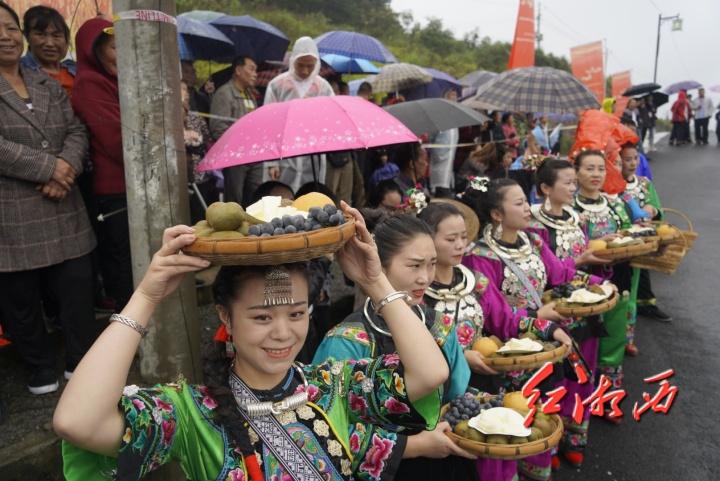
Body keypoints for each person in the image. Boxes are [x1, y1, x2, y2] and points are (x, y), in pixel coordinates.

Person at [54, 205, 450, 481]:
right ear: (226, 317)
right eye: (261, 317)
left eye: (296, 314)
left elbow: (429, 373)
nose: (282, 332)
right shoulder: (192, 415)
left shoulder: (335, 387)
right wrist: (147, 296)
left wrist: (375, 281)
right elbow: (77, 421)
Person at [313, 214, 475, 481]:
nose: (425, 278)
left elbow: (457, 392)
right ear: (380, 266)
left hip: (445, 463)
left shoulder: (440, 326)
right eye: (414, 266)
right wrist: (414, 446)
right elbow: (328, 426)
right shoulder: (346, 340)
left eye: (432, 264)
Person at [461, 177, 588, 481]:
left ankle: (541, 459)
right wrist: (536, 314)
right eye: (518, 203)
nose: (526, 208)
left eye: (525, 200)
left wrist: (595, 283)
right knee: (511, 422)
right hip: (507, 351)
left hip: (541, 342)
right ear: (496, 213)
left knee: (542, 410)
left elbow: (560, 274)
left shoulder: (534, 241)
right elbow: (494, 316)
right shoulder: (478, 257)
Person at [0, 1, 98, 394]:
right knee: (20, 297)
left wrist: (65, 168)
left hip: (63, 202)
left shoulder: (44, 81)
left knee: (76, 288)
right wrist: (47, 168)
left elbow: (76, 130)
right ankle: (40, 368)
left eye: (9, 27)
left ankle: (81, 361)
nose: (5, 36)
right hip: (13, 210)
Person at [527, 159, 609, 468]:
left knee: (581, 376)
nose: (573, 187)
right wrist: (579, 264)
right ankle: (547, 445)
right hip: (554, 313)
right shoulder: (534, 227)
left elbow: (583, 256)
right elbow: (543, 273)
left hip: (584, 308)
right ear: (546, 188)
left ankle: (574, 437)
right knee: (552, 380)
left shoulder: (577, 217)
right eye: (567, 182)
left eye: (574, 181)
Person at [71, 18, 133, 312]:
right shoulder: (89, 83)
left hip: (130, 184)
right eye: (114, 46)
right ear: (92, 51)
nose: (121, 54)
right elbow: (117, 140)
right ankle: (129, 329)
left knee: (134, 261)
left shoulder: (118, 81)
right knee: (122, 262)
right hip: (115, 189)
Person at [572, 150, 637, 407]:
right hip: (581, 284)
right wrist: (597, 244)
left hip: (617, 278)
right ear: (576, 171)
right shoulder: (570, 208)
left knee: (613, 341)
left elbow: (628, 235)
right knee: (582, 343)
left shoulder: (615, 204)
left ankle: (607, 401)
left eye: (600, 168)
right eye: (589, 168)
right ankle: (577, 404)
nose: (596, 174)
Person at [264, 37, 334, 191]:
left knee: (310, 198)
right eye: (300, 65)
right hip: (284, 155)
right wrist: (272, 162)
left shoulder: (323, 88)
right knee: (281, 198)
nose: (305, 71)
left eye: (310, 66)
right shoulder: (278, 86)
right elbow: (269, 125)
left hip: (313, 156)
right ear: (293, 60)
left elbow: (331, 121)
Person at [618, 144, 671, 323]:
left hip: (643, 239)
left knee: (638, 280)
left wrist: (653, 211)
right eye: (627, 159)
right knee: (625, 286)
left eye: (635, 158)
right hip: (621, 243)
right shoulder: (612, 186)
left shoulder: (644, 183)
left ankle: (634, 321)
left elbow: (657, 207)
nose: (632, 163)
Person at [210, 55, 264, 206]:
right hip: (235, 158)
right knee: (235, 200)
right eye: (251, 69)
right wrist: (238, 145)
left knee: (256, 198)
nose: (255, 74)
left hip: (254, 156)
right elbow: (217, 128)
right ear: (238, 70)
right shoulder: (224, 93)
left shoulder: (250, 95)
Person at [20, 5, 75, 97]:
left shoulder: (74, 69)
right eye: (40, 34)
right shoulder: (18, 72)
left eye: (56, 36)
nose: (50, 43)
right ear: (26, 36)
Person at [180, 80, 216, 224]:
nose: (186, 93)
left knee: (200, 217)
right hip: (179, 180)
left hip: (200, 176)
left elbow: (207, 140)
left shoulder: (195, 118)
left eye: (186, 89)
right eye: (181, 89)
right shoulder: (165, 119)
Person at [428, 89, 460, 198]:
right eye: (452, 95)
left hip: (449, 166)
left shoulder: (455, 120)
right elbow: (432, 139)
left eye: (455, 95)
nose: (454, 98)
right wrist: (440, 154)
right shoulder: (439, 117)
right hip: (439, 166)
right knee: (441, 195)